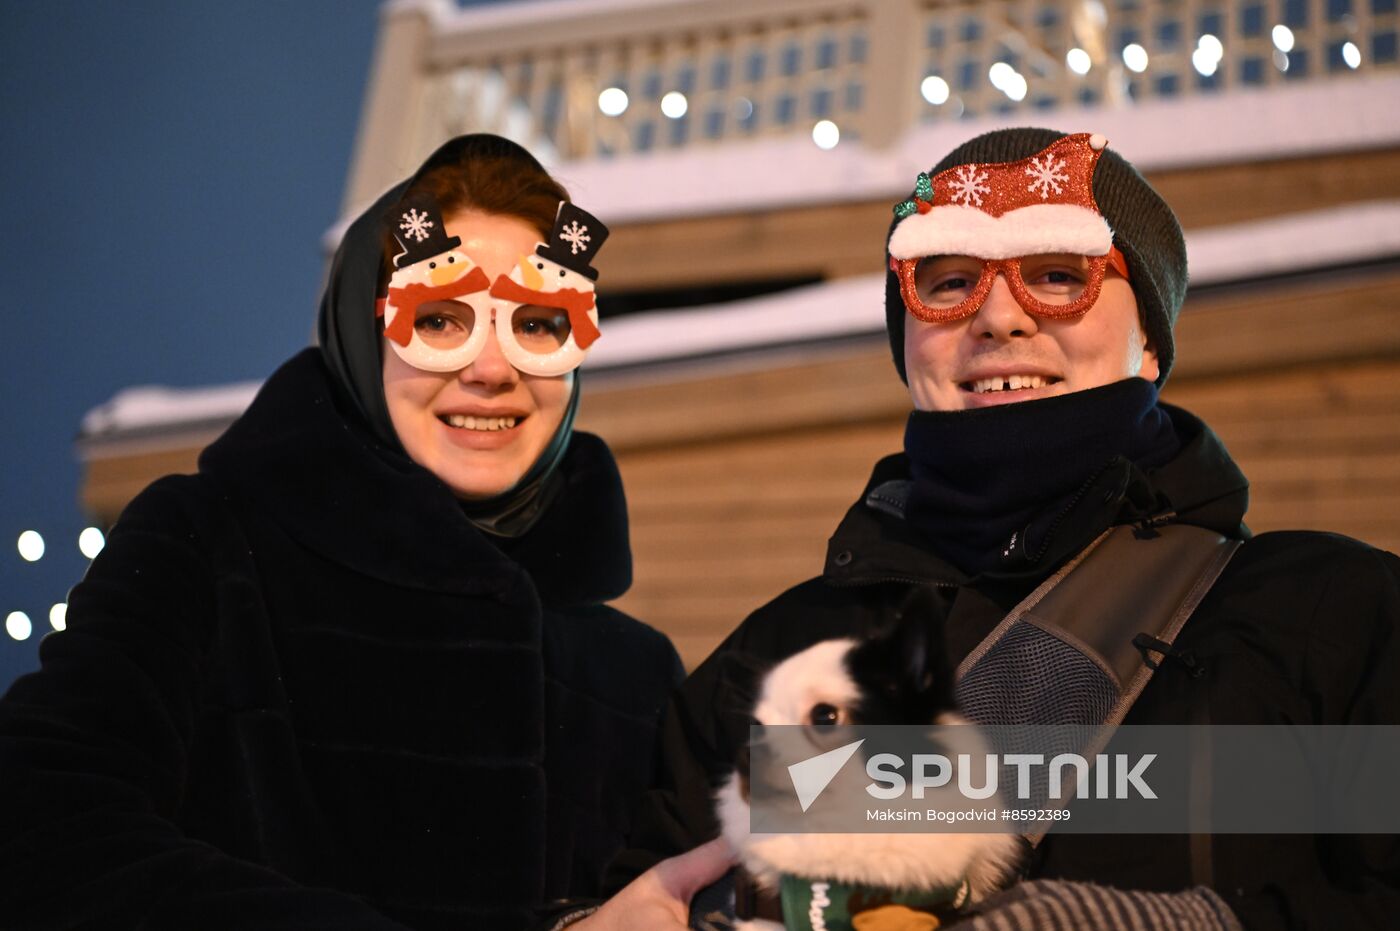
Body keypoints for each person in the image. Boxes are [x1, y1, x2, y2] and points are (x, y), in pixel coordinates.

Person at [586, 128, 1400, 930]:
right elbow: (645, 892)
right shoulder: (773, 657)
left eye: (1056, 275)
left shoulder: (1333, 617)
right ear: (907, 345)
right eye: (947, 283)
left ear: (1150, 338)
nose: (998, 318)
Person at [0, 134, 682, 930]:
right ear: (363, 334)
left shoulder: (635, 674)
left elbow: (819, 838)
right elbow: (40, 827)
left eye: (537, 324)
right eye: (439, 318)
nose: (493, 369)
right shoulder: (207, 549)